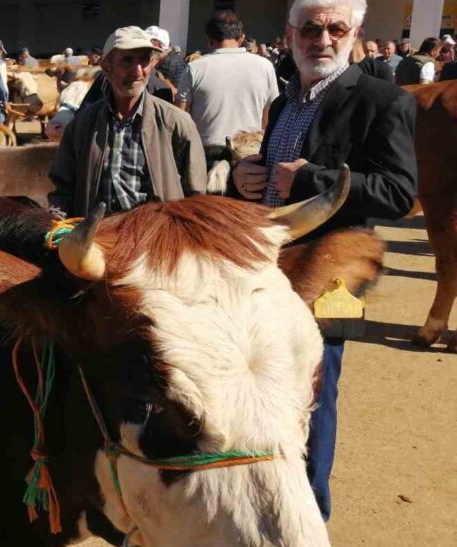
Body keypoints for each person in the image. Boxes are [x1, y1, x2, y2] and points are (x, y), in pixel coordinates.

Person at [232, 0, 416, 520]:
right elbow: (274, 175)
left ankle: (308, 512)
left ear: (354, 32)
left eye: (336, 27)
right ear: (291, 35)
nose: (323, 38)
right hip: (269, 270)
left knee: (316, 391)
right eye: (311, 28)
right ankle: (263, 496)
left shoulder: (382, 100)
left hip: (331, 271)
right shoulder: (285, 100)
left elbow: (400, 193)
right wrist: (245, 177)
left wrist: (312, 177)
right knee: (263, 383)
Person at [50, 26, 206, 218]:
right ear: (107, 67)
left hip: (155, 240)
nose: (138, 70)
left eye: (144, 60)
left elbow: (196, 196)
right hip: (98, 239)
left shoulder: (176, 123)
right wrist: (59, 228)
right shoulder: (83, 124)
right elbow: (63, 189)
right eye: (128, 60)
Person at [176, 11, 279, 147]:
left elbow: (178, 119)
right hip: (249, 154)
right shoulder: (265, 66)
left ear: (208, 39)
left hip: (204, 155)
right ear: (241, 38)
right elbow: (269, 120)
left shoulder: (195, 68)